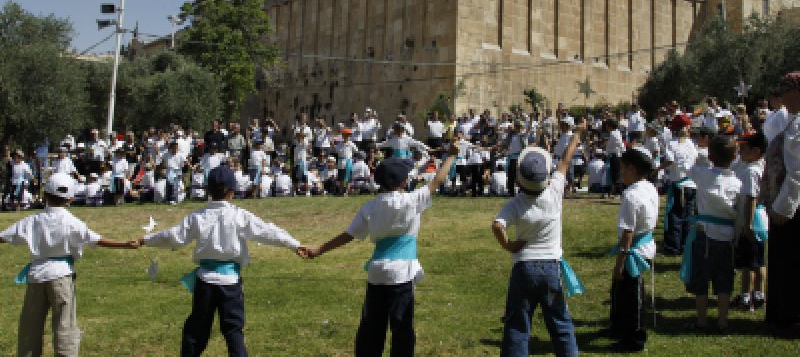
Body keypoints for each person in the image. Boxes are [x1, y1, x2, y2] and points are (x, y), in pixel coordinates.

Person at [302, 144, 460, 357]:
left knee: (371, 328)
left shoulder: (369, 207)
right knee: (402, 328)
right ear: (404, 182)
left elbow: (348, 235)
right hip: (402, 272)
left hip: (377, 272)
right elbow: (438, 180)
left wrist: (319, 249)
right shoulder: (411, 201)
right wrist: (450, 156)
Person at [140, 165, 306, 355]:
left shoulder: (199, 216)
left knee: (196, 331)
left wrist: (145, 240)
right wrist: (294, 244)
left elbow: (172, 236)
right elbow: (268, 232)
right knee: (233, 331)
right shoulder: (238, 215)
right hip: (230, 284)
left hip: (205, 283)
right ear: (231, 192)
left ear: (209, 191)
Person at [0, 173, 139, 356]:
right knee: (65, 325)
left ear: (45, 195)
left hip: (36, 277)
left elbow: (3, 237)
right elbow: (96, 240)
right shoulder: (72, 222)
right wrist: (125, 245)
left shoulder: (32, 221)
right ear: (70, 199)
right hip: (62, 276)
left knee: (30, 326)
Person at [491, 120, 586, 357]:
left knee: (517, 323)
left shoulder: (515, 204)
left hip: (523, 266)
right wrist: (577, 134)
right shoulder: (554, 192)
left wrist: (508, 245)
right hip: (551, 267)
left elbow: (497, 225)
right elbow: (565, 160)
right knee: (560, 321)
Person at [681, 135, 740, 332]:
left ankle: (702, 320)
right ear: (734, 157)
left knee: (701, 277)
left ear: (711, 155)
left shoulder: (703, 174)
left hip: (705, 233)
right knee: (724, 278)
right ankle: (723, 321)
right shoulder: (738, 182)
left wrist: (701, 149)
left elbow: (687, 165)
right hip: (728, 234)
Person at [607, 147, 659, 352]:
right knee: (620, 290)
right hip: (644, 243)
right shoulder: (649, 187)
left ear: (631, 168)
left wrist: (620, 261)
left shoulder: (631, 196)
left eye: (622, 168)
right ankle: (618, 326)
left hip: (635, 249)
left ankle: (634, 337)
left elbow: (628, 232)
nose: (620, 172)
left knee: (632, 294)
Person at [763, 72, 800, 329]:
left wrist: (783, 207)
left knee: (789, 262)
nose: (782, 97)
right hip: (788, 202)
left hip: (792, 207)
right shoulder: (793, 121)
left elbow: (797, 170)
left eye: (785, 91)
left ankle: (789, 317)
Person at [731, 131, 767, 311]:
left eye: (744, 147)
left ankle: (746, 296)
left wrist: (748, 223)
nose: (740, 151)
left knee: (748, 263)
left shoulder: (751, 171)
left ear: (756, 151)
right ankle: (760, 294)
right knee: (759, 260)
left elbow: (751, 197)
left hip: (751, 218)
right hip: (761, 218)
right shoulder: (761, 167)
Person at [660, 113, 698, 255]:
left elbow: (669, 160)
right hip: (690, 184)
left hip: (678, 184)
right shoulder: (691, 144)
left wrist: (657, 169)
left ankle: (673, 246)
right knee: (687, 216)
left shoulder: (672, 143)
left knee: (675, 216)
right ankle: (685, 244)